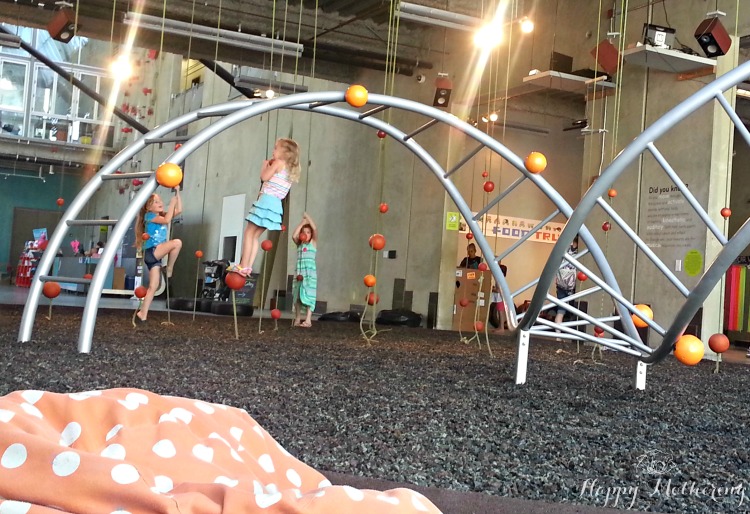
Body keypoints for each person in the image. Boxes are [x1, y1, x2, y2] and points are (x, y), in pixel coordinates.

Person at [229, 138, 301, 277]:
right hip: (275, 207)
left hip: (266, 201)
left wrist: (265, 166)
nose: (273, 151)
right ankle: (248, 267)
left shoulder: (279, 163)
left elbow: (264, 177)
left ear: (284, 153)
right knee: (255, 236)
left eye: (275, 148)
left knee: (248, 234)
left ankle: (243, 265)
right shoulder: (290, 170)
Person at [134, 190, 183, 322]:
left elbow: (179, 210)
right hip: (152, 251)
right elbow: (167, 220)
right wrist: (172, 203)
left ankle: (142, 313)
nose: (160, 203)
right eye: (156, 202)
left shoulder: (160, 217)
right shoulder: (149, 216)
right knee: (177, 243)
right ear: (149, 207)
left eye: (160, 200)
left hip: (154, 256)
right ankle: (169, 268)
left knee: (153, 286)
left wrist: (177, 193)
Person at [292, 212, 318, 328]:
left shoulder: (312, 244)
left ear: (311, 235)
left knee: (309, 295)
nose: (305, 234)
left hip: (309, 274)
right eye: (304, 232)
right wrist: (302, 223)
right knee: (296, 295)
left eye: (308, 232)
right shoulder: (299, 245)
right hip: (299, 273)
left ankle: (308, 320)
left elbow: (315, 229)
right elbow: (294, 236)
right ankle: (297, 318)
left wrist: (308, 217)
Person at [554, 236, 579, 334]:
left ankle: (558, 336)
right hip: (573, 286)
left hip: (561, 284)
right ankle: (572, 335)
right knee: (574, 311)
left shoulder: (564, 250)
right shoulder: (579, 252)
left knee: (560, 311)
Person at [489, 262, 508, 330]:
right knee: (500, 311)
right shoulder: (499, 279)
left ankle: (501, 327)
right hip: (499, 297)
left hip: (500, 298)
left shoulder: (501, 280)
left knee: (500, 312)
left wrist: (493, 289)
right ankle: (500, 327)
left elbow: (500, 290)